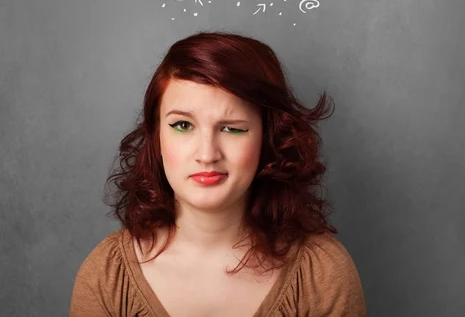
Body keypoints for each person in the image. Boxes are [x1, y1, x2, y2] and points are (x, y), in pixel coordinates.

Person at [69, 30, 367, 316]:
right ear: (156, 137)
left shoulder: (323, 272)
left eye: (232, 128)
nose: (207, 154)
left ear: (268, 138)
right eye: (183, 125)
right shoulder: (107, 274)